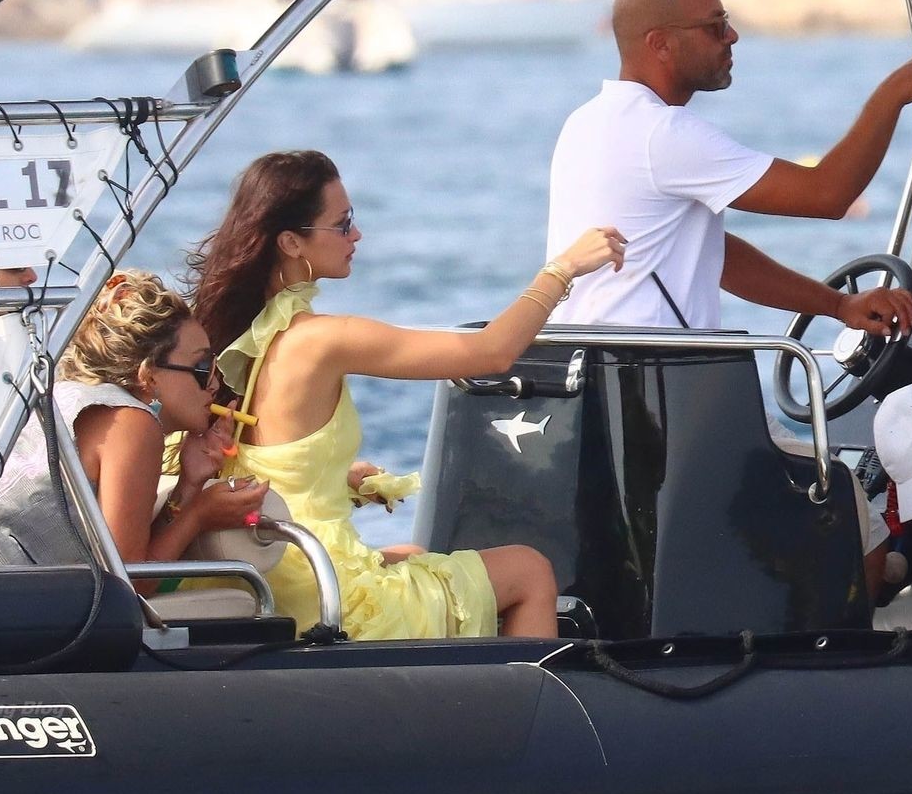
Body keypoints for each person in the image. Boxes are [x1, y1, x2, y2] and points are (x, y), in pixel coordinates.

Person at [189, 150, 626, 640]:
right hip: (322, 583)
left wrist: (340, 480)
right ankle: (518, 691)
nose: (357, 235)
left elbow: (266, 457)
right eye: (343, 223)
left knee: (414, 553)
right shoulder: (319, 340)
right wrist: (563, 269)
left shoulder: (249, 335)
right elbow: (491, 353)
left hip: (281, 569)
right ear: (291, 242)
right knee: (529, 570)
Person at [545, 0, 912, 335]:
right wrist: (892, 94)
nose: (732, 36)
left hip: (591, 367)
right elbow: (828, 195)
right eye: (715, 26)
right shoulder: (663, 133)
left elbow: (713, 255)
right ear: (661, 44)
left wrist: (838, 305)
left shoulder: (586, 122)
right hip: (645, 375)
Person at [0, 269, 267, 573]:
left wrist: (189, 484)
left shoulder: (65, 394)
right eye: (202, 366)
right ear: (149, 375)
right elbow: (129, 580)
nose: (215, 383)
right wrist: (200, 515)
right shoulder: (131, 424)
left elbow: (132, 558)